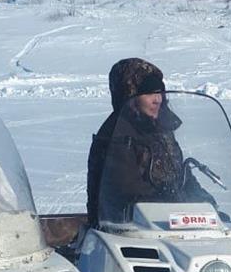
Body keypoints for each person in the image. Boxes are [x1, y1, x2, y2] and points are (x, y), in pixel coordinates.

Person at [87, 58, 210, 226]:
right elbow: (129, 192)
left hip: (170, 224)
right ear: (129, 95)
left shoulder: (160, 131)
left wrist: (204, 203)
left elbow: (181, 176)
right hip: (127, 230)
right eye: (149, 93)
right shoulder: (116, 138)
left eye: (159, 92)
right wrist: (178, 208)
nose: (157, 99)